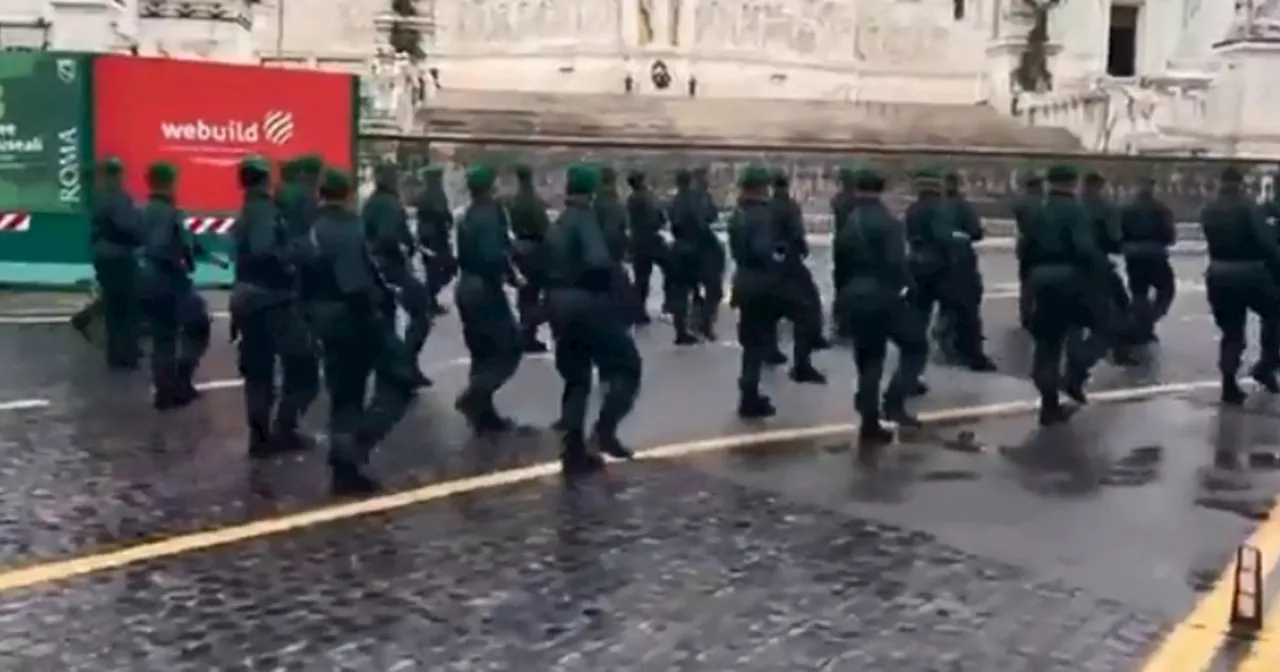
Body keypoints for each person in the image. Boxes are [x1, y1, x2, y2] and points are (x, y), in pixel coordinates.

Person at [306, 168, 417, 494]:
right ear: (349, 194)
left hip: (324, 320)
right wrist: (376, 320)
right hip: (356, 321)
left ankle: (344, 467)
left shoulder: (313, 228)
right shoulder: (346, 229)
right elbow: (355, 285)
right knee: (400, 380)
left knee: (345, 396)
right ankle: (356, 445)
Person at [545, 163, 641, 476]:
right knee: (626, 366)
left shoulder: (559, 221)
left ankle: (572, 452)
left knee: (577, 380)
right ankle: (604, 431)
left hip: (558, 305)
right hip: (587, 305)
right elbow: (597, 261)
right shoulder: (585, 220)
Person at [229, 155, 320, 455]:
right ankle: (284, 427)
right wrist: (293, 257)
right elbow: (265, 250)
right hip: (272, 300)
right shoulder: (264, 211)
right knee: (303, 364)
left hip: (246, 298)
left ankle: (260, 436)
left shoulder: (247, 209)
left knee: (258, 371)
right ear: (265, 179)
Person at [832, 165, 927, 445]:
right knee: (915, 345)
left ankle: (869, 421)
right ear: (881, 188)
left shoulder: (848, 221)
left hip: (853, 296)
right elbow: (896, 262)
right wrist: (909, 285)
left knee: (869, 361)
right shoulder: (887, 222)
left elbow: (839, 267)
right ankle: (894, 401)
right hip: (883, 296)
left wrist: (841, 300)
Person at [1022, 164, 1107, 425]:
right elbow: (1084, 250)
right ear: (1073, 182)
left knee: (1046, 344)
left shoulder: (1036, 211)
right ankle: (1076, 372)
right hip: (1070, 279)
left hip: (1038, 279)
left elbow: (1024, 249)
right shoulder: (1076, 211)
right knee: (1105, 326)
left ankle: (1049, 406)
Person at [453, 165, 526, 433]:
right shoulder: (491, 213)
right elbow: (493, 253)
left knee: (482, 351)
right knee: (510, 346)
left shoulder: (468, 214)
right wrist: (511, 276)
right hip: (484, 290)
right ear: (491, 186)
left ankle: (485, 416)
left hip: (467, 287)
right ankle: (475, 398)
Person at [1199, 166, 1280, 404]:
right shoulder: (1249, 208)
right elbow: (1265, 243)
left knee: (1232, 332)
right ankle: (1266, 364)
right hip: (1250, 272)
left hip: (1218, 272)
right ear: (1240, 182)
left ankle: (1229, 383)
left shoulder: (1208, 208)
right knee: (1274, 313)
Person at [137, 161, 213, 410]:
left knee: (163, 337)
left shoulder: (143, 211)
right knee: (198, 325)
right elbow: (175, 245)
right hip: (169, 278)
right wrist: (187, 259)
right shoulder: (171, 212)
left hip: (146, 278)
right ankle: (181, 381)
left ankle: (165, 390)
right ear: (170, 182)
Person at [364, 160, 433, 387]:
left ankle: (393, 368)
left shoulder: (372, 202)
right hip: (391, 267)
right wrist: (405, 251)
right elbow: (389, 238)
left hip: (376, 267)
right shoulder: (389, 204)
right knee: (421, 311)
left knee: (387, 317)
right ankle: (405, 363)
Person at [86, 158, 143, 369]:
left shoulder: (99, 199)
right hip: (120, 257)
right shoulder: (120, 200)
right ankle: (127, 355)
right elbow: (128, 228)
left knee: (113, 308)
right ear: (118, 175)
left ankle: (115, 354)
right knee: (127, 308)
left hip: (103, 257)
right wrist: (140, 237)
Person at [771, 170, 830, 352]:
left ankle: (770, 347)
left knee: (768, 307)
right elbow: (797, 231)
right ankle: (814, 338)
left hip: (770, 260)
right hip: (790, 259)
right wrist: (803, 249)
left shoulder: (767, 206)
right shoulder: (790, 206)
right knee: (810, 299)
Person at [1118, 176, 1176, 343]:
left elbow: (1118, 232)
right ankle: (1150, 320)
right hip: (1155, 253)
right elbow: (1170, 236)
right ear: (1153, 188)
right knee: (1166, 289)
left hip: (1133, 255)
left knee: (1139, 292)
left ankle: (1139, 325)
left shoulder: (1125, 208)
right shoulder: (1161, 209)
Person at [507, 164, 553, 352]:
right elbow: (543, 227)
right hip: (535, 249)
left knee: (525, 294)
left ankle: (525, 333)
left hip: (519, 247)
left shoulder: (514, 200)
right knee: (535, 294)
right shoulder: (534, 201)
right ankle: (528, 333)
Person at [664, 169, 705, 345]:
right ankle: (698, 325)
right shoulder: (694, 200)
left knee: (679, 291)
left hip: (677, 247)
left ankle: (680, 329)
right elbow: (702, 221)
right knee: (698, 288)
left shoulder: (674, 201)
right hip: (693, 248)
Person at [626, 169, 668, 324]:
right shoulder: (647, 197)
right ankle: (670, 305)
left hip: (637, 240)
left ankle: (639, 312)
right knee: (672, 269)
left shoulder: (631, 199)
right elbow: (658, 217)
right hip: (651, 238)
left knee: (641, 279)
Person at [415, 165, 457, 316]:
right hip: (436, 240)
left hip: (428, 240)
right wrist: (447, 221)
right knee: (445, 269)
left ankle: (429, 300)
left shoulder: (425, 195)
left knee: (433, 271)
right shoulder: (435, 195)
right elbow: (441, 215)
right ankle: (428, 300)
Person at [1011, 170, 1045, 330]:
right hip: (1042, 247)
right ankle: (1039, 312)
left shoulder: (1021, 204)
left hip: (1025, 246)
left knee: (1025, 282)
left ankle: (1025, 314)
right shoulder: (1044, 204)